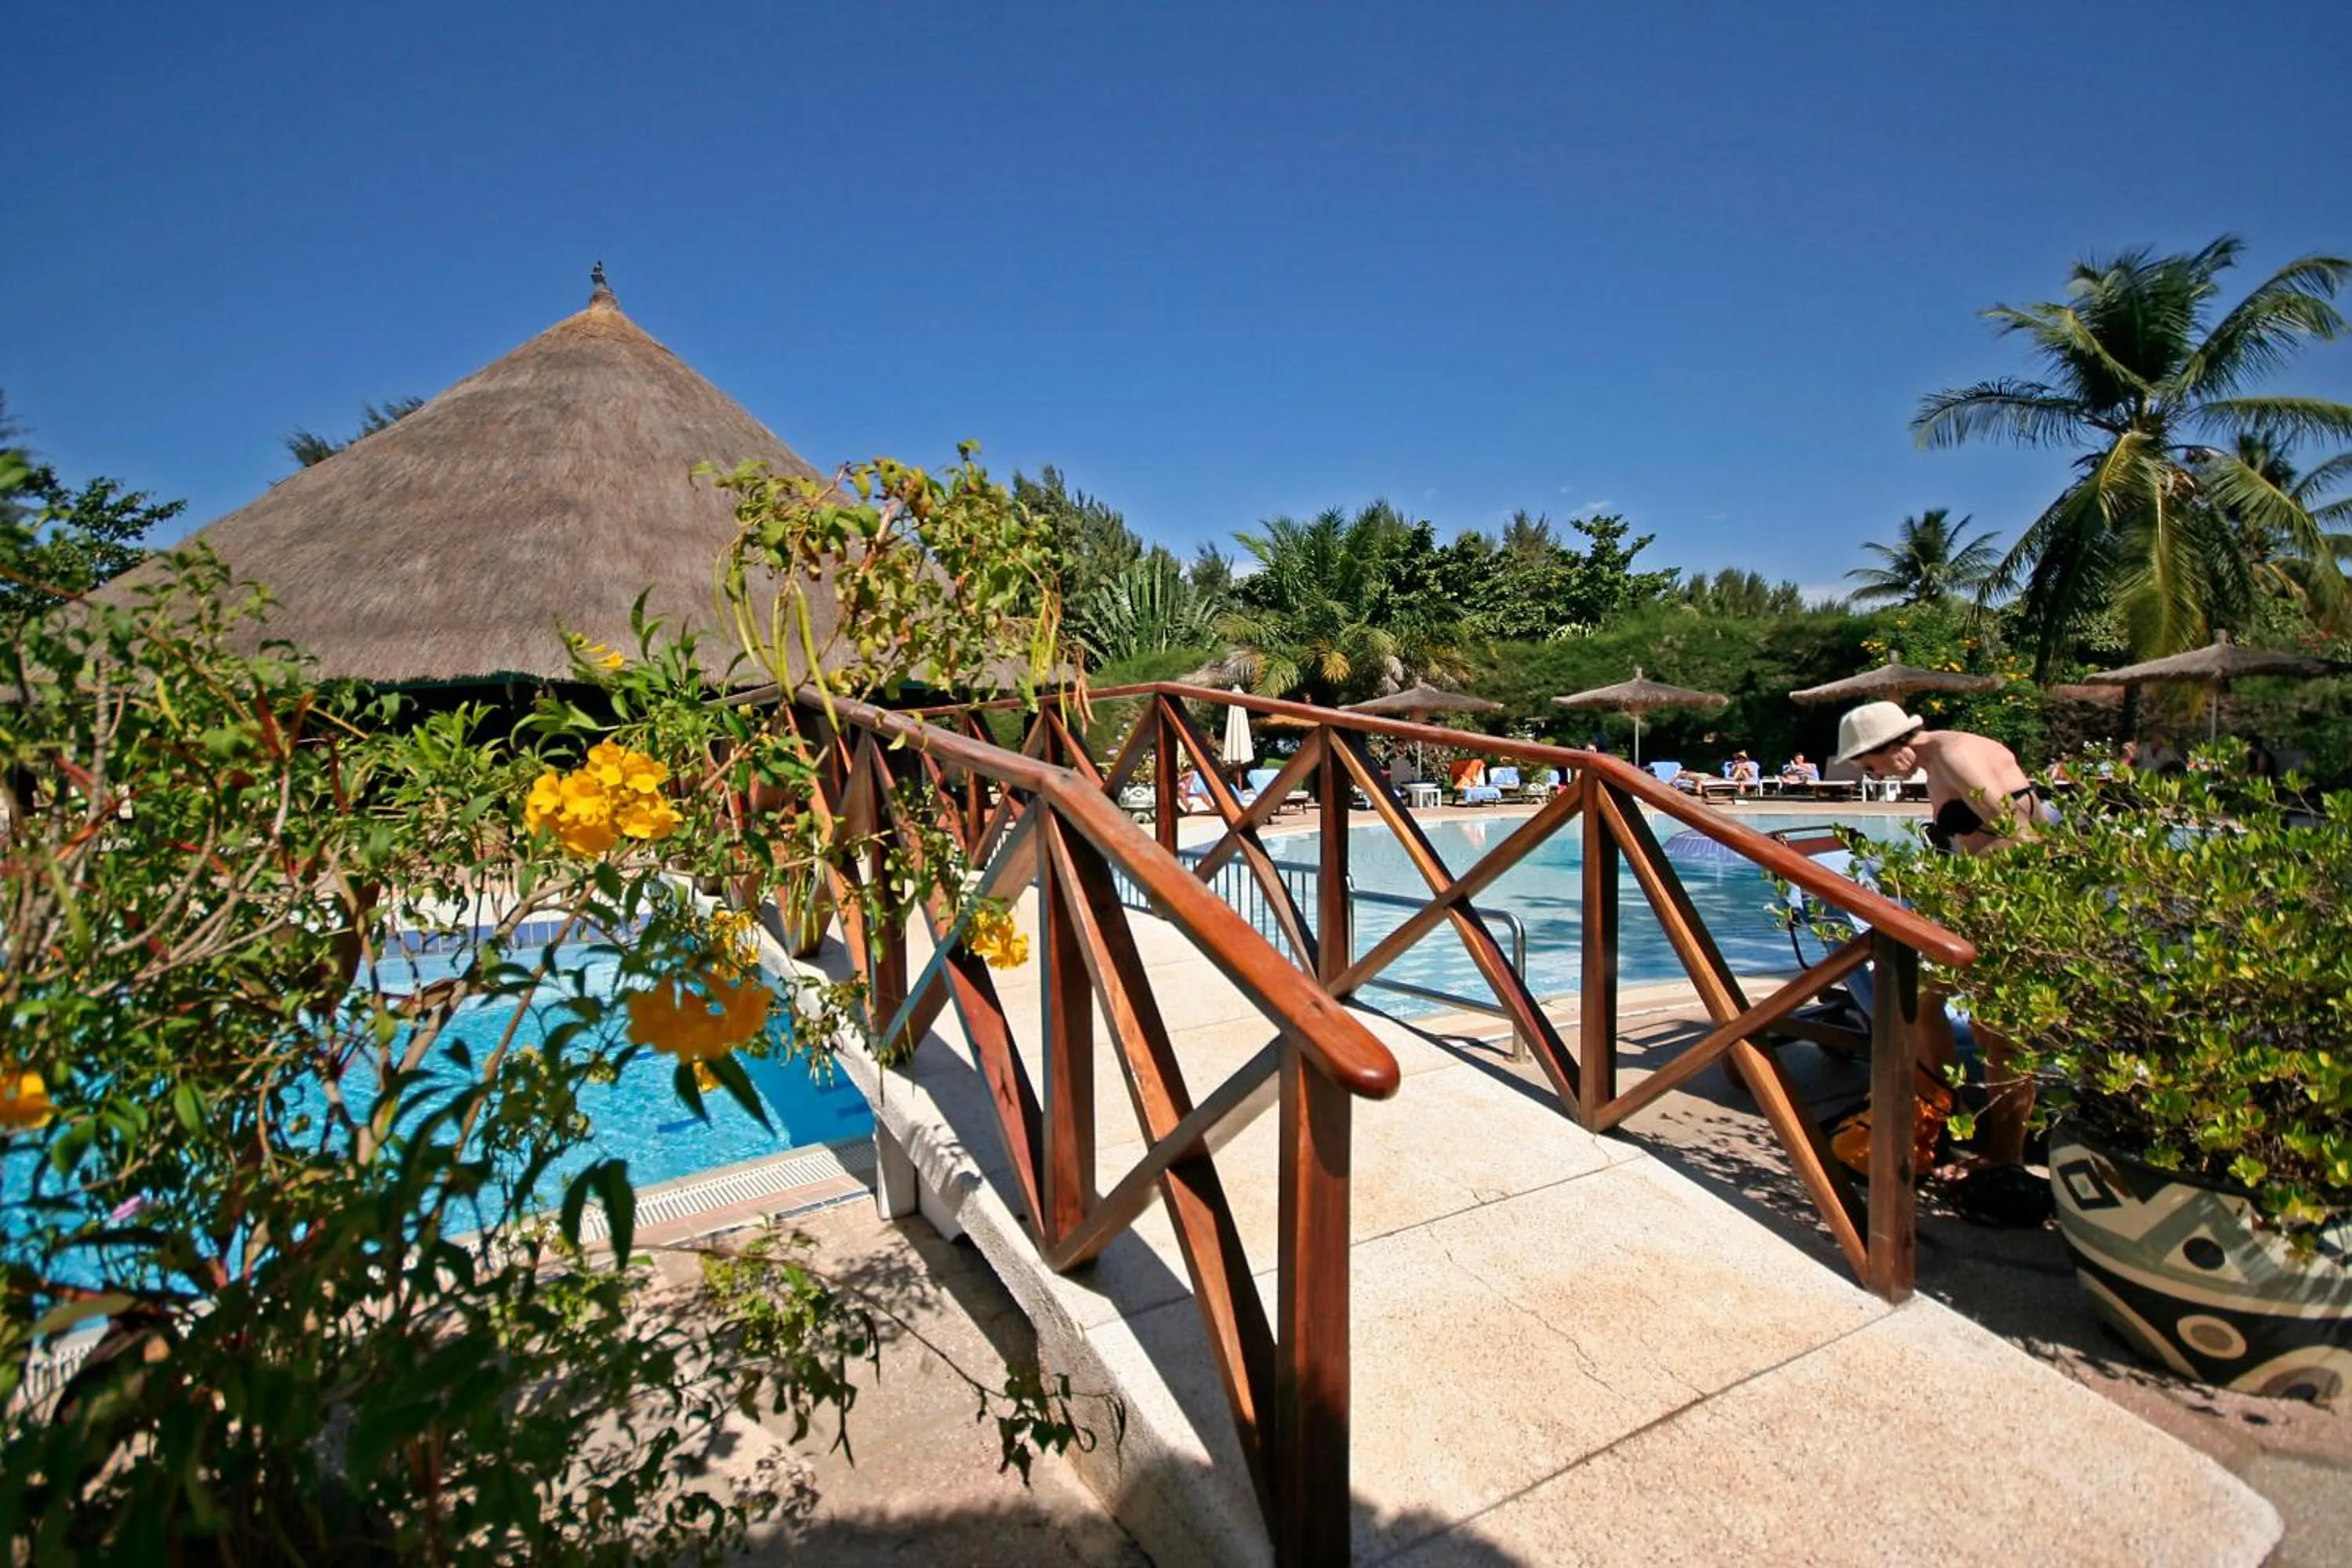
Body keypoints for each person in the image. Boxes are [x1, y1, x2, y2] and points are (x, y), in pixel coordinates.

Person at [1835, 701, 2055, 1225]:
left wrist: (1982, 907)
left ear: (1890, 746)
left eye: (1871, 765)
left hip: (2007, 907)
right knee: (1924, 1001)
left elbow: (2023, 837)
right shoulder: (1944, 757)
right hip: (1986, 906)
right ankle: (1935, 1112)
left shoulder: (1956, 756)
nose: (1876, 776)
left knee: (1998, 1034)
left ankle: (2003, 1154)